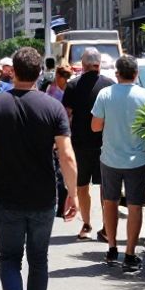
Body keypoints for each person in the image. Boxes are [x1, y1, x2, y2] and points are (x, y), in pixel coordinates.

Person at [0, 47, 78, 290]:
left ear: (12, 72)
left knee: (8, 258)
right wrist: (73, 194)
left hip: (8, 195)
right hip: (44, 196)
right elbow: (66, 155)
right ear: (39, 73)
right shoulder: (53, 107)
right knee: (39, 260)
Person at [90, 55, 145, 272]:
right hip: (137, 160)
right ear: (136, 74)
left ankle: (111, 249)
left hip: (110, 158)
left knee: (109, 202)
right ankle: (129, 253)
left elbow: (95, 127)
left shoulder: (105, 94)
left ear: (117, 74)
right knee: (135, 206)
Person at [61, 47, 114, 240]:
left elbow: (66, 115)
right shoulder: (109, 84)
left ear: (82, 66)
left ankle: (86, 224)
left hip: (80, 143)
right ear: (99, 65)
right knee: (105, 187)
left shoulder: (73, 85)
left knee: (82, 186)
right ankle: (107, 227)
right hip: (104, 144)